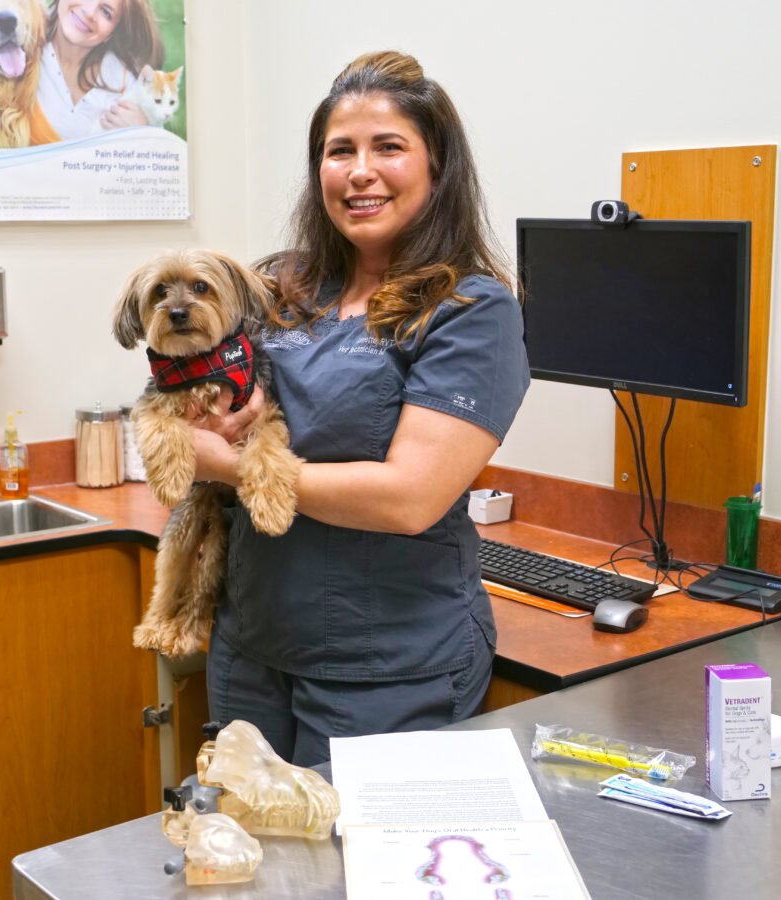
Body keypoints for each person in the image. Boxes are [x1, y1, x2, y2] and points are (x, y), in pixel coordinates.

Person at [188, 51, 530, 767]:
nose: (359, 171)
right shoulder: (279, 287)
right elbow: (198, 397)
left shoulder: (470, 311)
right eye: (339, 151)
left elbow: (410, 498)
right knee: (252, 859)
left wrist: (233, 463)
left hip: (388, 667)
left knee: (351, 871)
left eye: (389, 148)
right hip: (252, 646)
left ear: (438, 168)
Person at [0, 0, 164, 142]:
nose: (88, 12)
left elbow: (164, 157)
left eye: (105, 12)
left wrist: (144, 132)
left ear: (111, 32)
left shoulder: (124, 82)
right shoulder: (31, 41)